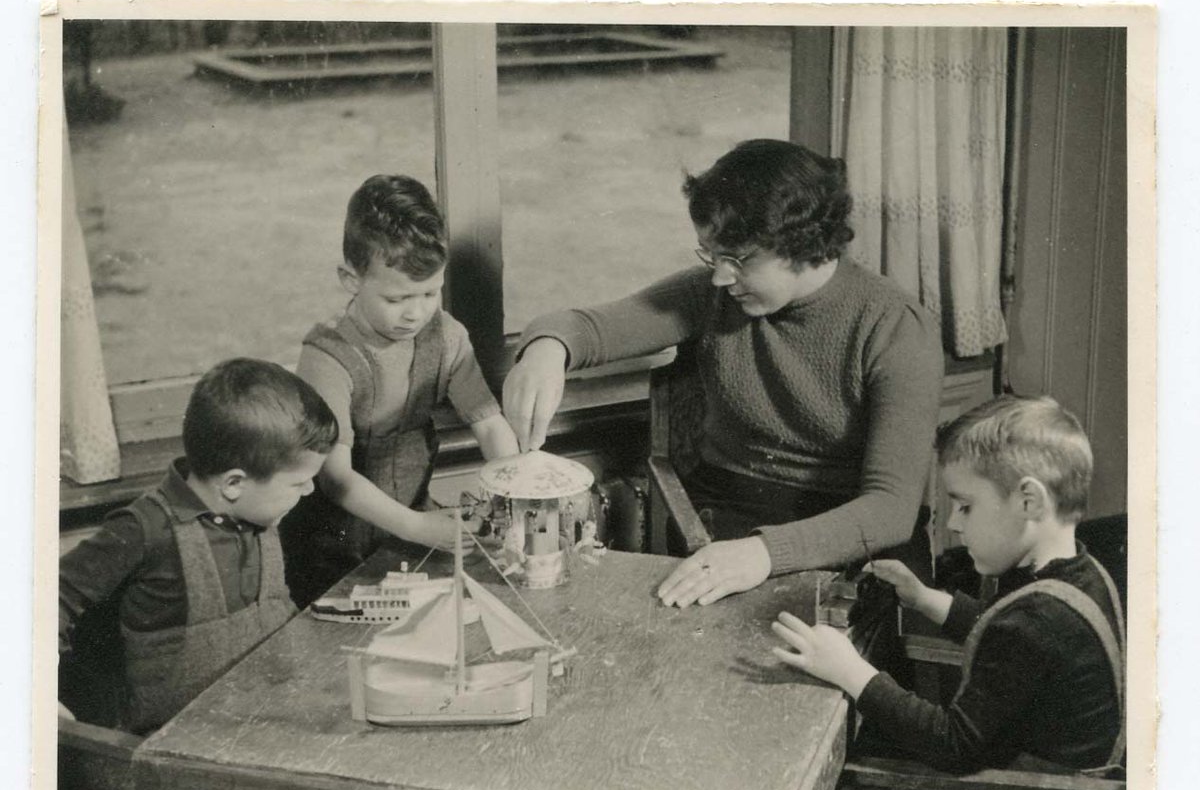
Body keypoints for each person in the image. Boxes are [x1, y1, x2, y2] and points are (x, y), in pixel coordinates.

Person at [503, 139, 943, 607]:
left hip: (847, 532)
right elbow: (587, 328)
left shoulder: (896, 326)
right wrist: (546, 349)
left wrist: (765, 553)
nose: (719, 277)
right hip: (727, 512)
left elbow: (891, 509)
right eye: (711, 256)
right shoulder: (713, 293)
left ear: (802, 242)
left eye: (739, 259)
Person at [772, 395, 1125, 775]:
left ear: (1028, 502)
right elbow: (1003, 635)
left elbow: (954, 745)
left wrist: (849, 671)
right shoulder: (1079, 575)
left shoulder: (1040, 619)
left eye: (966, 506)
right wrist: (924, 599)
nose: (954, 523)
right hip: (1038, 774)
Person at [59, 358, 338, 733]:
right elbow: (47, 598)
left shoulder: (260, 511)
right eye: (299, 482)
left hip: (259, 720)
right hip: (167, 743)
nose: (308, 490)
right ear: (233, 484)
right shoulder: (145, 529)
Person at [280, 174, 519, 605]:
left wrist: (517, 492)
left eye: (430, 293)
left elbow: (489, 424)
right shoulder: (328, 355)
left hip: (408, 529)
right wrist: (417, 526)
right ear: (350, 278)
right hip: (329, 550)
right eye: (396, 299)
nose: (416, 313)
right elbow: (335, 478)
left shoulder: (446, 337)